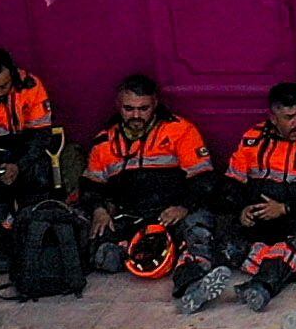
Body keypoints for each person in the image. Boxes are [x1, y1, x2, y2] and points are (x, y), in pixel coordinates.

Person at [83, 76, 217, 293]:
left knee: (198, 229)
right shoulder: (104, 140)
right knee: (103, 256)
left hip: (172, 213)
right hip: (130, 216)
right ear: (118, 106)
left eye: (143, 108)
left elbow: (205, 180)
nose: (136, 115)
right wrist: (99, 210)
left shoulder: (180, 130)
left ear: (155, 104)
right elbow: (91, 185)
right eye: (128, 108)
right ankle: (141, 253)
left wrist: (184, 207)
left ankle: (190, 282)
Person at [221, 85, 296, 310]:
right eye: (289, 117)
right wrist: (243, 209)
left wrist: (285, 208)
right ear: (273, 118)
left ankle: (262, 285)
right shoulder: (253, 138)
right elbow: (231, 185)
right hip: (261, 218)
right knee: (226, 243)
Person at [0, 49, 65, 286]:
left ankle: (23, 236)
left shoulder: (31, 86)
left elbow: (41, 137)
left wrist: (19, 165)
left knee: (37, 172)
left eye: (3, 87)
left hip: (21, 146)